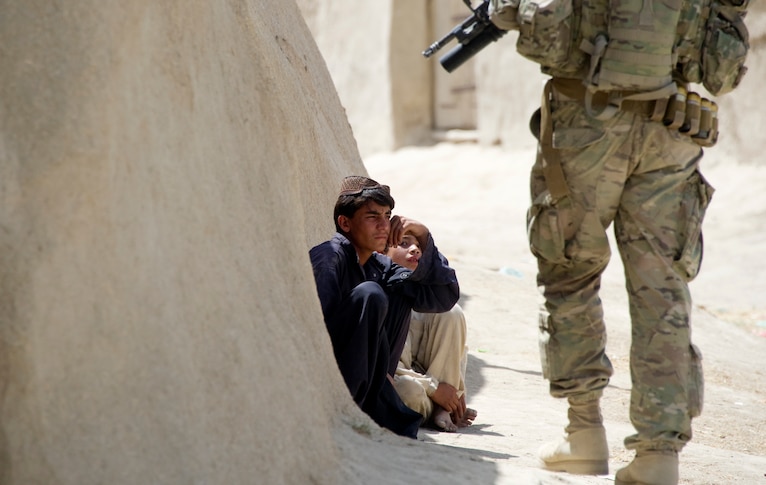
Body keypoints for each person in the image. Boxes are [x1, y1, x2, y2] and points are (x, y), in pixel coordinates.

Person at [484, 0, 747, 482]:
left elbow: (538, 26)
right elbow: (722, 62)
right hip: (672, 126)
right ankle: (658, 455)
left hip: (589, 126)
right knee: (662, 290)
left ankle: (583, 433)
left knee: (570, 270)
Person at [308, 175, 460, 438]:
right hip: (330, 380)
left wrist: (422, 232)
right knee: (371, 294)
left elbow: (444, 296)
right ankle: (354, 405)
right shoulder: (329, 258)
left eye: (387, 215)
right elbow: (317, 333)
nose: (383, 226)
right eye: (372, 217)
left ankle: (379, 391)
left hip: (372, 381)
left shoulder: (380, 267)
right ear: (345, 223)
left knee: (399, 289)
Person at [386, 233, 477, 432]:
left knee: (451, 313)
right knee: (408, 391)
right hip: (402, 381)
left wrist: (454, 391)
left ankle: (445, 407)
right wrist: (434, 390)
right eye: (403, 243)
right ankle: (436, 407)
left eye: (418, 246)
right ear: (383, 250)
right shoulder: (378, 293)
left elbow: (456, 352)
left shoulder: (424, 296)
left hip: (432, 376)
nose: (415, 249)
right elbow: (383, 368)